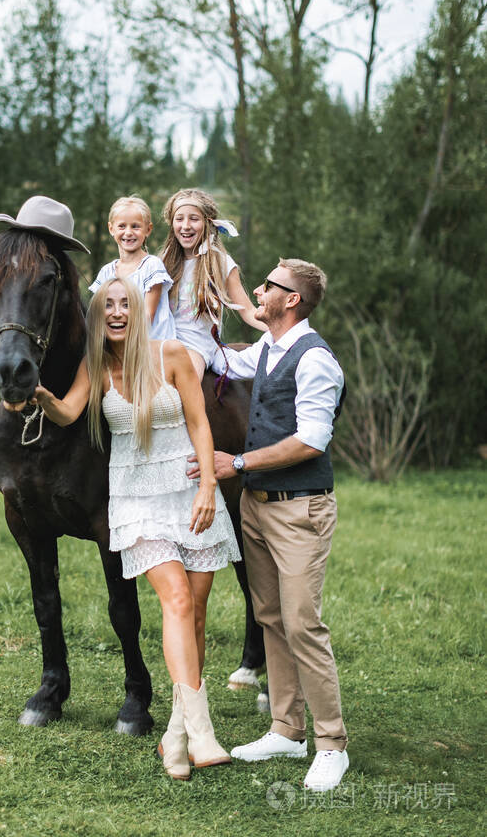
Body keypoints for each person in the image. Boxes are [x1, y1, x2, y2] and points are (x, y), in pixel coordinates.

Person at [31, 275, 241, 780]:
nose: (119, 312)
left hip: (190, 490)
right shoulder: (96, 367)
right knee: (176, 600)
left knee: (195, 614)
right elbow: (66, 412)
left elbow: (199, 424)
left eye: (127, 304)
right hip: (136, 496)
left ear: (140, 312)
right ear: (99, 317)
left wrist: (210, 487)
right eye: (109, 306)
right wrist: (34, 392)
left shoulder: (172, 355)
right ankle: (203, 730)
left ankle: (175, 735)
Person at [187, 258, 349, 792]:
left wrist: (236, 464)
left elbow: (311, 440)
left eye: (268, 286)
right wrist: (193, 311)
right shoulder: (269, 349)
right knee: (272, 618)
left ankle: (331, 745)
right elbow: (222, 362)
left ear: (292, 299)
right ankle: (286, 728)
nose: (259, 290)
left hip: (300, 508)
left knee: (303, 624)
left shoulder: (315, 359)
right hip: (256, 508)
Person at [160, 188, 265, 380]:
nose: (185, 226)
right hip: (163, 341)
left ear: (208, 222)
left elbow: (248, 311)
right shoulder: (164, 261)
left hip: (195, 346)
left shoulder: (221, 263)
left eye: (194, 219)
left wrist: (282, 329)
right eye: (179, 219)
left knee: (183, 384)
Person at [89, 195, 175, 339]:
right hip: (118, 344)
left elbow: (148, 316)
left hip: (149, 345)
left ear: (148, 229)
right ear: (111, 229)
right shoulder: (106, 272)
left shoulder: (152, 266)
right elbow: (97, 314)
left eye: (135, 226)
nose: (128, 232)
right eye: (122, 226)